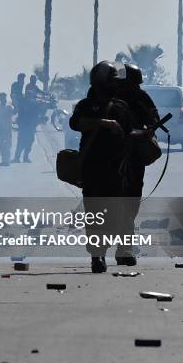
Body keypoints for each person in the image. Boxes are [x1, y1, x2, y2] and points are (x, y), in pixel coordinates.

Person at [69, 61, 134, 273]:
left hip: (115, 170)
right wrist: (103, 123)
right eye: (111, 81)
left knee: (114, 215)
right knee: (94, 214)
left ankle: (103, 249)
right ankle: (97, 256)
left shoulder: (122, 107)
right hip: (92, 169)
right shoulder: (85, 106)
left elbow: (129, 134)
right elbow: (76, 123)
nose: (115, 85)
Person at [114, 63, 160, 266]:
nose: (134, 88)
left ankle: (124, 248)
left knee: (130, 202)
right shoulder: (107, 96)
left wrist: (150, 127)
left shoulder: (140, 97)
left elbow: (154, 117)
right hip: (110, 154)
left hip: (132, 155)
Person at [12, 76, 41, 163]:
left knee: (29, 142)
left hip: (30, 126)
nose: (29, 97)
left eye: (30, 95)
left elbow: (37, 114)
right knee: (21, 141)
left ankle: (24, 157)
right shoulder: (24, 102)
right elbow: (19, 112)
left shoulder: (34, 103)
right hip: (24, 125)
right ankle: (17, 157)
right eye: (28, 95)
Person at [0, 92, 14, 166]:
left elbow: (13, 113)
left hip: (7, 129)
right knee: (1, 145)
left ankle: (7, 161)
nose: (3, 99)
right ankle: (3, 160)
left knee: (7, 146)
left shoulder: (9, 107)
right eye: (1, 98)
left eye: (4, 97)